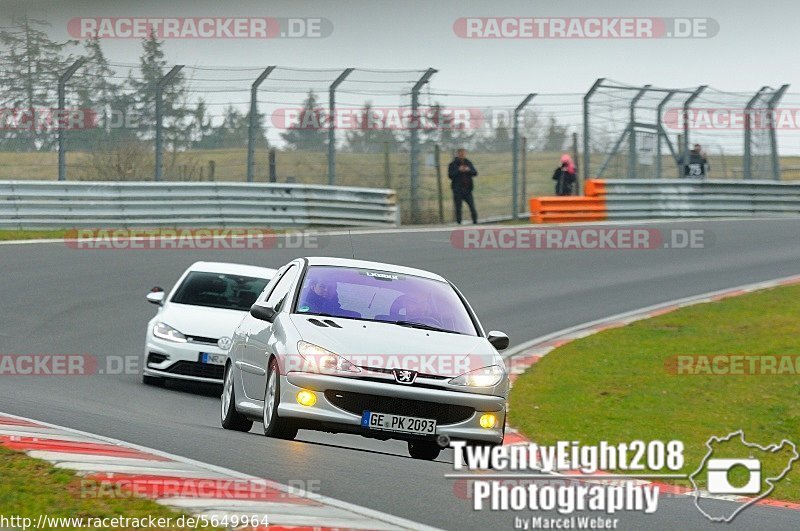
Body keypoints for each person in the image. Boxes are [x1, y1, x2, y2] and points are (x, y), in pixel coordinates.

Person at [447, 148, 479, 224]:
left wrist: (469, 170)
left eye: (463, 153)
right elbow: (450, 175)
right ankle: (459, 223)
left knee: (472, 207)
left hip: (467, 189)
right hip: (457, 189)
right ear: (457, 154)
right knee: (458, 208)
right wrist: (458, 170)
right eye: (460, 153)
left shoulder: (468, 163)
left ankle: (475, 222)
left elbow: (475, 173)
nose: (462, 155)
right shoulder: (453, 164)